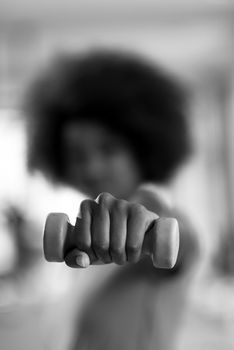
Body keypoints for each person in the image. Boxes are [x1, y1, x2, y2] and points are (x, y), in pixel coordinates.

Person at [24, 49, 199, 350]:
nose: (91, 167)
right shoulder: (85, 238)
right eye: (78, 155)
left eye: (109, 150)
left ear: (141, 151)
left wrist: (151, 222)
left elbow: (182, 242)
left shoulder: (156, 219)